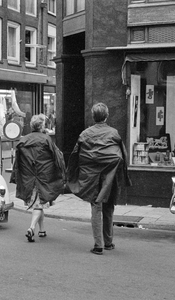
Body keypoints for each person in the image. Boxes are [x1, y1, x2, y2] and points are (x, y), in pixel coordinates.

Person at [66, 102, 132, 255]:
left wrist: (74, 174)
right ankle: (108, 242)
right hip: (109, 175)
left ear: (93, 116)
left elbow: (77, 155)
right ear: (107, 116)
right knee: (109, 207)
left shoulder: (85, 134)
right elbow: (122, 154)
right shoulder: (114, 133)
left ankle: (98, 245)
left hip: (91, 176)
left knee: (96, 207)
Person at [10, 114, 66, 242]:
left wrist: (17, 177)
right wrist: (62, 174)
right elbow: (58, 157)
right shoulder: (46, 140)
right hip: (44, 177)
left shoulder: (23, 141)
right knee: (39, 204)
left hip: (29, 177)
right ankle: (31, 228)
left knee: (39, 203)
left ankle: (42, 230)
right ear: (42, 126)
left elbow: (18, 162)